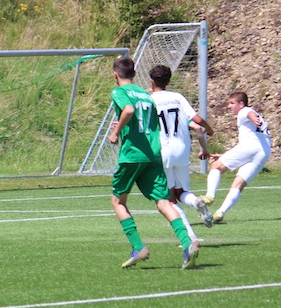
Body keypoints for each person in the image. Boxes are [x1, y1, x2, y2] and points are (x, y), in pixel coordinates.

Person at [106, 57, 198, 269]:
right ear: (135, 74)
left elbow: (129, 110)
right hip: (154, 153)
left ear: (115, 75)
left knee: (118, 202)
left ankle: (138, 247)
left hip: (133, 154)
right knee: (164, 202)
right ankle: (188, 243)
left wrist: (116, 132)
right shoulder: (146, 95)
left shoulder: (118, 91)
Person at [148, 64, 216, 243]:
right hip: (182, 150)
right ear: (169, 80)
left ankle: (190, 237)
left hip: (163, 151)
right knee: (181, 191)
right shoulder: (177, 97)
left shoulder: (149, 100)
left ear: (151, 81)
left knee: (169, 199)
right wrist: (209, 130)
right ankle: (196, 201)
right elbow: (197, 120)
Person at [201, 91, 272, 223]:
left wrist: (254, 119)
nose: (229, 106)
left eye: (232, 103)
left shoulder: (244, 111)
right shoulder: (255, 117)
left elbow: (249, 114)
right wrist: (224, 155)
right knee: (238, 185)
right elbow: (252, 142)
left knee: (216, 166)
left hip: (250, 147)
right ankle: (220, 213)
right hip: (263, 153)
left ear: (241, 104)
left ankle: (210, 196)